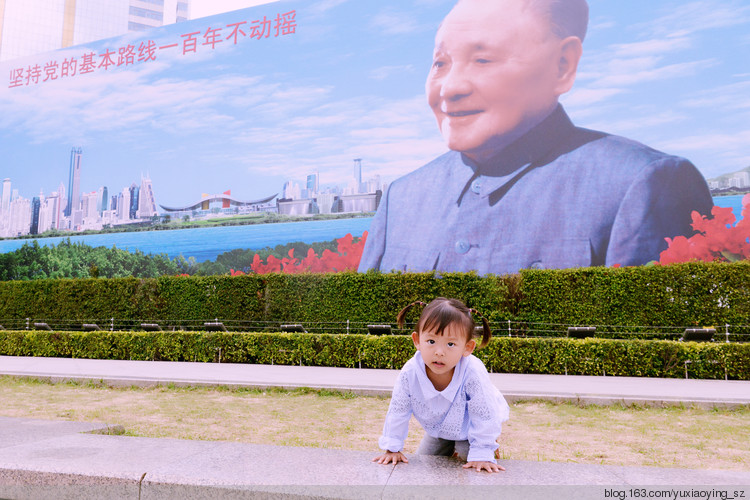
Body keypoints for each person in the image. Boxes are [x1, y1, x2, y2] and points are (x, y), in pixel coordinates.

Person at [358, 0, 713, 275]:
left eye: (482, 60)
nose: (450, 88)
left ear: (562, 65)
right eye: (440, 64)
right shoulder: (400, 199)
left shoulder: (643, 184)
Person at [372, 297, 510, 473]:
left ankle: (487, 447)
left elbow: (484, 413)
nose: (439, 352)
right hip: (438, 427)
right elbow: (398, 409)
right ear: (417, 340)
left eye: (451, 344)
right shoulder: (410, 372)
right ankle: (449, 447)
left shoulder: (473, 371)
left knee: (472, 461)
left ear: (467, 347)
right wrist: (392, 448)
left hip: (470, 427)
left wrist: (483, 451)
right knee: (426, 461)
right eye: (431, 341)